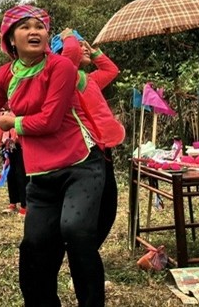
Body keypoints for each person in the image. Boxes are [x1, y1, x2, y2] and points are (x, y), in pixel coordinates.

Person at [0, 5, 106, 307]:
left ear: (47, 34)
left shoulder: (61, 67)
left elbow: (49, 120)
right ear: (10, 38)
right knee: (34, 248)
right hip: (41, 176)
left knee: (76, 232)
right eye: (25, 27)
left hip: (81, 165)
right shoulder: (7, 72)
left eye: (40, 26)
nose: (34, 32)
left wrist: (11, 123)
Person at [51, 28, 125, 248]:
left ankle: (88, 248)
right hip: (86, 150)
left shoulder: (89, 80)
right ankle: (84, 249)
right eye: (78, 45)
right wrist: (71, 45)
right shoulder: (66, 80)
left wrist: (93, 52)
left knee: (107, 204)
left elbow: (111, 70)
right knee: (98, 204)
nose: (83, 47)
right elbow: (66, 64)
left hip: (103, 148)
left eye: (85, 43)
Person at [0, 107, 27, 216]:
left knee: (21, 175)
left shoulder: (23, 113)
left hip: (21, 147)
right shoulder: (3, 115)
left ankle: (25, 205)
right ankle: (13, 202)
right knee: (10, 174)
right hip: (7, 148)